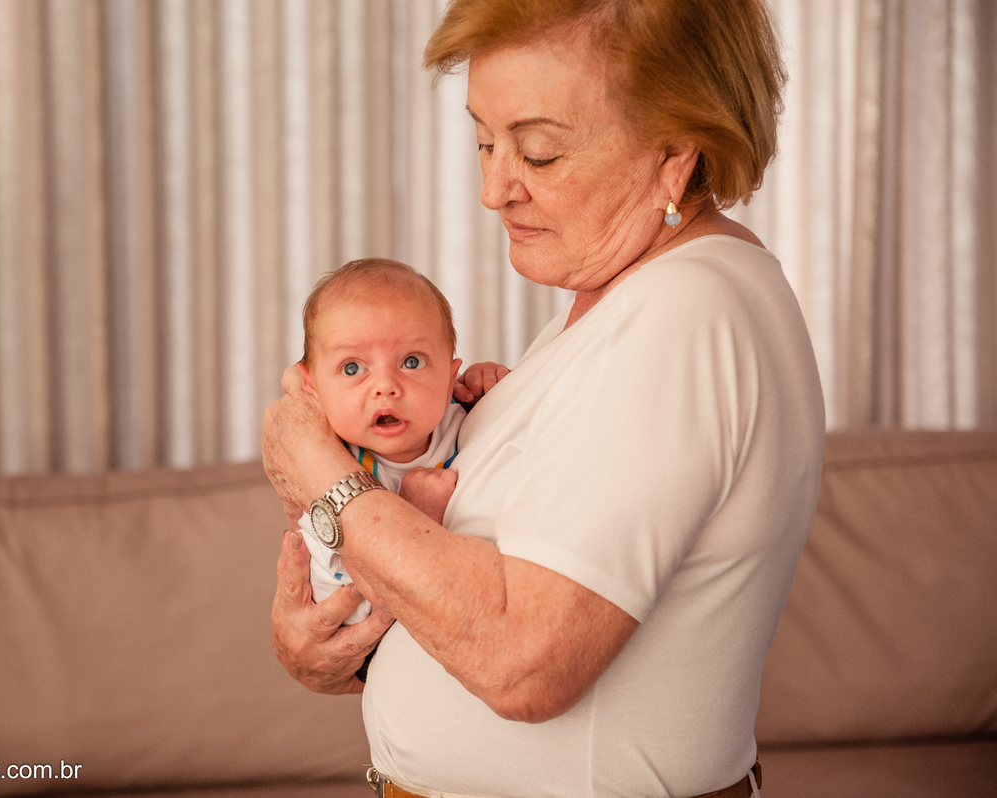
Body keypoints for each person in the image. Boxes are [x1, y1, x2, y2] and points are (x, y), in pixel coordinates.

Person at [262, 0, 825, 796]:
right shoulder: (620, 300)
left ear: (673, 153)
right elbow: (488, 600)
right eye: (486, 140)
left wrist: (323, 478)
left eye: (540, 152)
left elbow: (524, 663)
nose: (494, 189)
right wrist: (338, 649)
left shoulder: (686, 317)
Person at [292, 258, 506, 625]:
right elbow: (376, 591)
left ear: (449, 374)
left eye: (411, 361)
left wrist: (492, 385)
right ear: (312, 387)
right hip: (365, 622)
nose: (385, 386)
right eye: (352, 368)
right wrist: (413, 513)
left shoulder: (463, 417)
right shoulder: (331, 466)